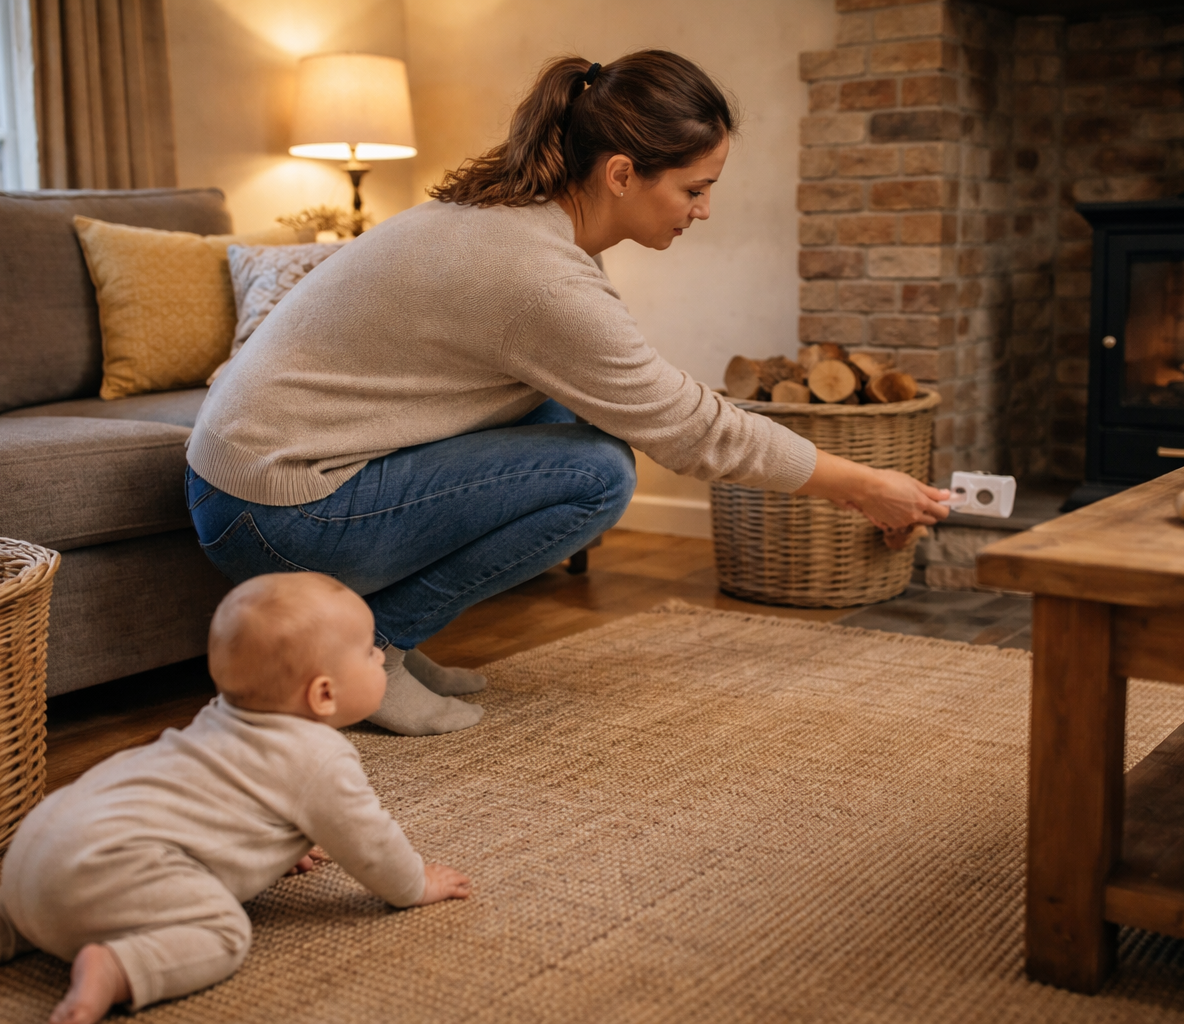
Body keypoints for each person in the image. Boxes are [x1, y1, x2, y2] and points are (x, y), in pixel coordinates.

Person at [185, 50, 949, 738]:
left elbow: (636, 394)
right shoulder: (537, 273)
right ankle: (375, 648)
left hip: (252, 483)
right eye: (696, 188)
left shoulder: (521, 221)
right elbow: (689, 428)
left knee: (572, 415)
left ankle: (387, 641)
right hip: (274, 513)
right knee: (598, 475)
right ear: (621, 173)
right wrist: (864, 486)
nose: (703, 210)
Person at [0, 573, 471, 1024]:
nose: (379, 658)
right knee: (224, 933)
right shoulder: (318, 759)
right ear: (323, 695)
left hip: (41, 845)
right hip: (114, 873)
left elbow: (225, 803)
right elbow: (368, 841)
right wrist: (413, 884)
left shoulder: (219, 717)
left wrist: (279, 844)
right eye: (371, 654)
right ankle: (119, 965)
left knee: (68, 882)